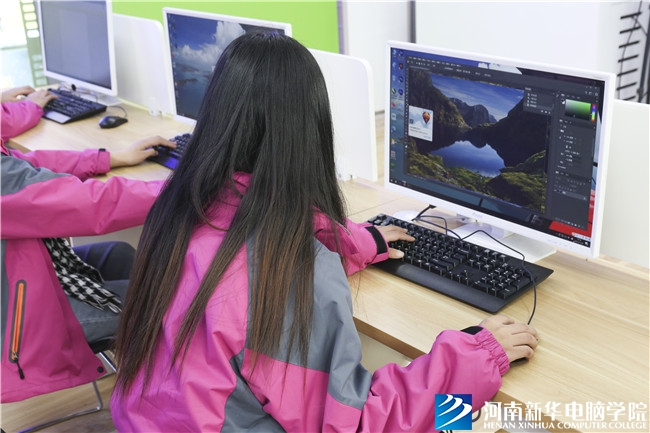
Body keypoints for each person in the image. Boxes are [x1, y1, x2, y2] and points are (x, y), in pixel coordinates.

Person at [111, 32, 538, 432]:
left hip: (150, 421)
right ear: (310, 130)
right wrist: (478, 357)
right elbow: (359, 424)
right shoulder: (288, 275)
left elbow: (256, 227)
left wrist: (354, 241)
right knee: (473, 419)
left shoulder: (180, 208)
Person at [0, 85, 176, 403]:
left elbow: (26, 164)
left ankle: (147, 385)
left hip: (14, 273)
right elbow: (89, 205)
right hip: (12, 326)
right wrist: (180, 190)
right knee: (168, 300)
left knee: (119, 254)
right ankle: (156, 404)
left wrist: (109, 158)